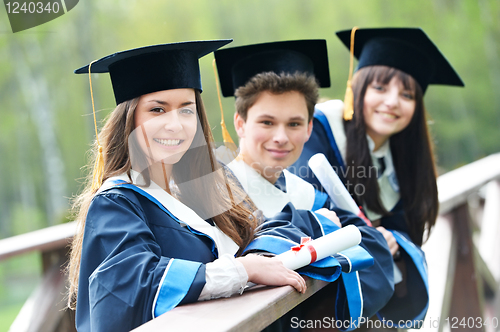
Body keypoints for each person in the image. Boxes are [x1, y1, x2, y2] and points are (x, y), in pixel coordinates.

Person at [67, 40, 345, 332]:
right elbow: (132, 287)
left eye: (186, 110)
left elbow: (256, 234)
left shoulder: (203, 186)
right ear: (130, 117)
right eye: (158, 110)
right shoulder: (117, 203)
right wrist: (243, 270)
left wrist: (312, 224)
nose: (175, 124)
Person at [290, 27, 464, 328]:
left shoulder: (406, 161)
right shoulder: (320, 128)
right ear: (357, 89)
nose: (393, 102)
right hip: (314, 298)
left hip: (369, 300)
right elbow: (308, 206)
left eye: (407, 94)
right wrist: (372, 235)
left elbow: (406, 231)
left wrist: (393, 241)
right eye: (380, 89)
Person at [214, 40, 394, 330]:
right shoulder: (216, 198)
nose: (281, 137)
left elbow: (373, 252)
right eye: (267, 122)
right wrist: (318, 227)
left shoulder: (309, 194)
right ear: (240, 123)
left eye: (294, 124)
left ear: (310, 127)